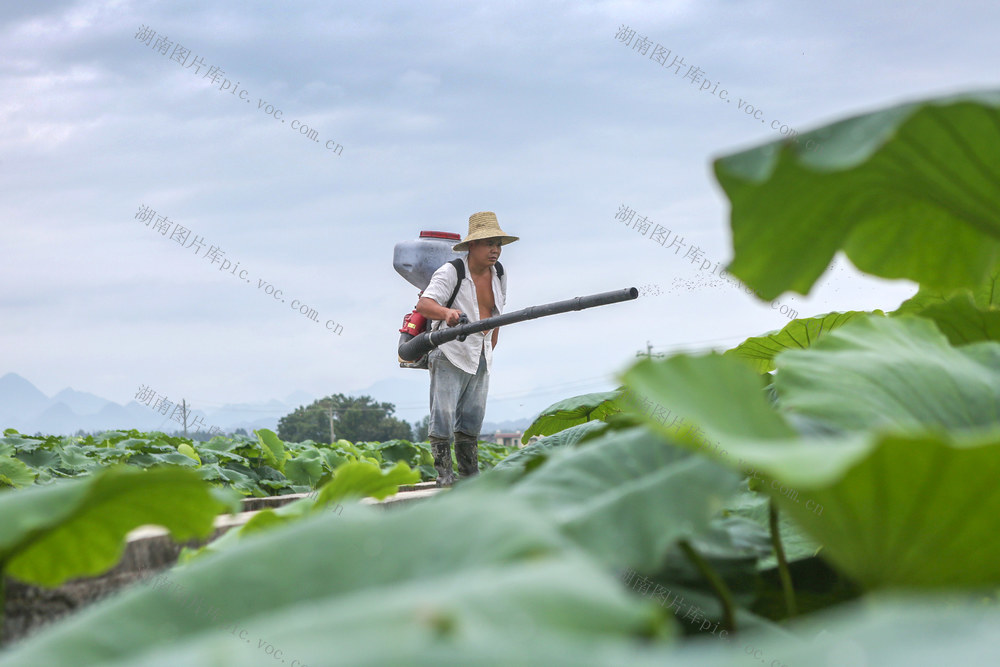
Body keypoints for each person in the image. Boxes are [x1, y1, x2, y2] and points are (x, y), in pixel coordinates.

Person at [416, 211, 517, 487]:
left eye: (498, 244)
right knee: (443, 415)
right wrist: (447, 313)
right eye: (489, 244)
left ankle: (469, 474)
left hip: (481, 351)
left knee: (472, 417)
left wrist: (492, 342)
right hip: (450, 351)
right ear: (472, 245)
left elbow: (498, 311)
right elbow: (424, 305)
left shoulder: (499, 273)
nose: (495, 250)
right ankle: (444, 474)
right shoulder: (452, 272)